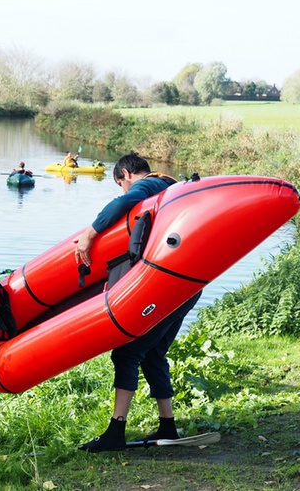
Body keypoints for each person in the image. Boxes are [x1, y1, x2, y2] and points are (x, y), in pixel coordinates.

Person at [74, 151, 202, 452]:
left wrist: (90, 234)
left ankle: (116, 431)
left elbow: (123, 203)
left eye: (121, 183)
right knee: (154, 353)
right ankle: (168, 427)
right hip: (188, 287)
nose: (124, 189)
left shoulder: (147, 185)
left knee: (127, 353)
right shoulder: (172, 184)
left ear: (127, 175)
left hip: (169, 286)